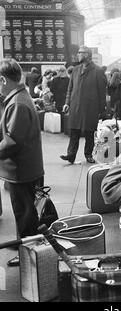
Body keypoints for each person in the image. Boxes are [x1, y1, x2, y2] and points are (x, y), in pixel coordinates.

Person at [0, 59, 44, 266]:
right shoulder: (20, 97)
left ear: (2, 80)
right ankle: (23, 241)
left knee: (25, 213)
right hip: (26, 167)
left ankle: (28, 254)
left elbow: (12, 142)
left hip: (22, 169)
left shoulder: (17, 103)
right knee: (25, 211)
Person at [60, 46, 107, 164]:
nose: (78, 55)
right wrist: (67, 103)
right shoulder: (75, 70)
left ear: (87, 55)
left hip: (90, 108)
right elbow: (70, 88)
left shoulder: (98, 71)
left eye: (80, 53)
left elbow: (102, 92)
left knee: (89, 133)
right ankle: (71, 155)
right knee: (74, 132)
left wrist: (102, 109)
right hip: (75, 106)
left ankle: (88, 155)